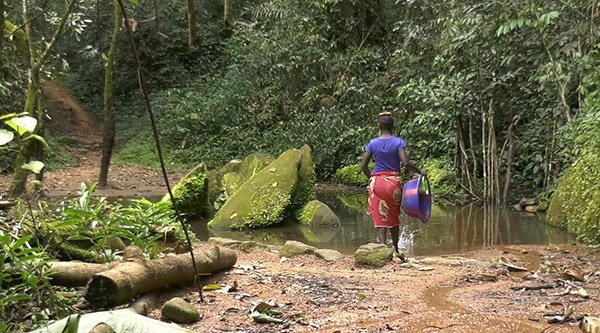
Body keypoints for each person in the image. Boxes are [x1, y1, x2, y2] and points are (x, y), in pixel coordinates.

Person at [360, 111, 426, 259]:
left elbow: (363, 164)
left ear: (379, 126)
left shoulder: (372, 143)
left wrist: (370, 177)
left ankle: (383, 250)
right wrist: (420, 171)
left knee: (380, 214)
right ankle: (396, 249)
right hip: (393, 183)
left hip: (376, 182)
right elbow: (406, 163)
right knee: (393, 215)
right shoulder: (398, 142)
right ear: (393, 127)